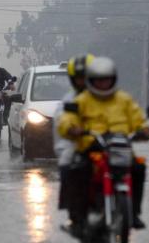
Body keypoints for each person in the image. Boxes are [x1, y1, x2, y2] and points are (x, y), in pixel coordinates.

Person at [57, 56, 149, 234]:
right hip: (92, 147)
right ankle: (76, 218)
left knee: (139, 167)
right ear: (91, 81)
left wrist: (145, 130)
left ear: (114, 79)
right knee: (76, 170)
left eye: (107, 80)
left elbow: (137, 119)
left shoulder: (124, 99)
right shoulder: (82, 100)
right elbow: (67, 119)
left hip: (120, 148)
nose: (103, 84)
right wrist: (73, 129)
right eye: (99, 80)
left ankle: (133, 213)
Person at [53, 54, 95, 233]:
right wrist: (72, 129)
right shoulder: (68, 101)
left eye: (87, 77)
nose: (83, 81)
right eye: (79, 78)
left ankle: (130, 207)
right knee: (67, 166)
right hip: (76, 143)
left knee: (133, 164)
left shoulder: (108, 95)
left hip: (104, 142)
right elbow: (62, 121)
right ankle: (73, 214)